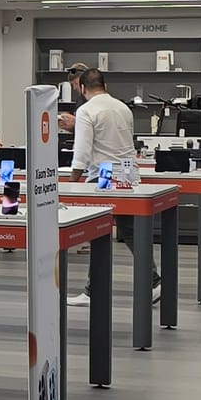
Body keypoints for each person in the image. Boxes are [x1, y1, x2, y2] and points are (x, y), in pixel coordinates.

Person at [62, 67, 140, 308]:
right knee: (130, 232)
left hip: (103, 176)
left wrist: (72, 182)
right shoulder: (123, 107)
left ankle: (92, 291)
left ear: (82, 87)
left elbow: (82, 152)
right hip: (128, 172)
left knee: (97, 232)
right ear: (105, 86)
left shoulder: (86, 110)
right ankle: (153, 280)